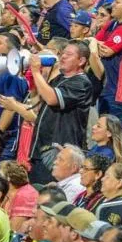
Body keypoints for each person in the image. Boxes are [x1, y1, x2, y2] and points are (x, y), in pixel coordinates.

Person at [28, 41, 93, 184]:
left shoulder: (81, 83)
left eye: (68, 55)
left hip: (58, 154)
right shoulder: (59, 79)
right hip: (41, 149)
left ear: (81, 61)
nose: (62, 57)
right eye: (62, 53)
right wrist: (39, 76)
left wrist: (35, 71)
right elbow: (39, 103)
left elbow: (51, 99)